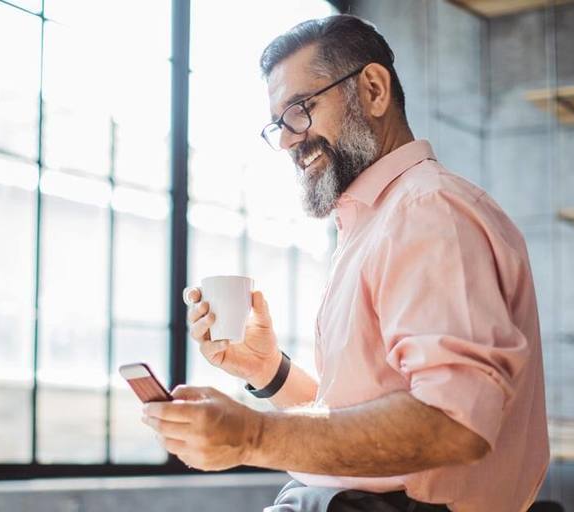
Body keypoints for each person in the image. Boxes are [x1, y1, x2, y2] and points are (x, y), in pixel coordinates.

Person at [141, 14, 549, 512]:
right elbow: (364, 429)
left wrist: (251, 435)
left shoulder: (427, 211)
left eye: (300, 110)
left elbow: (453, 421)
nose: (289, 139)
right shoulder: (376, 223)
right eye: (278, 124)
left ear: (373, 90)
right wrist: (268, 371)